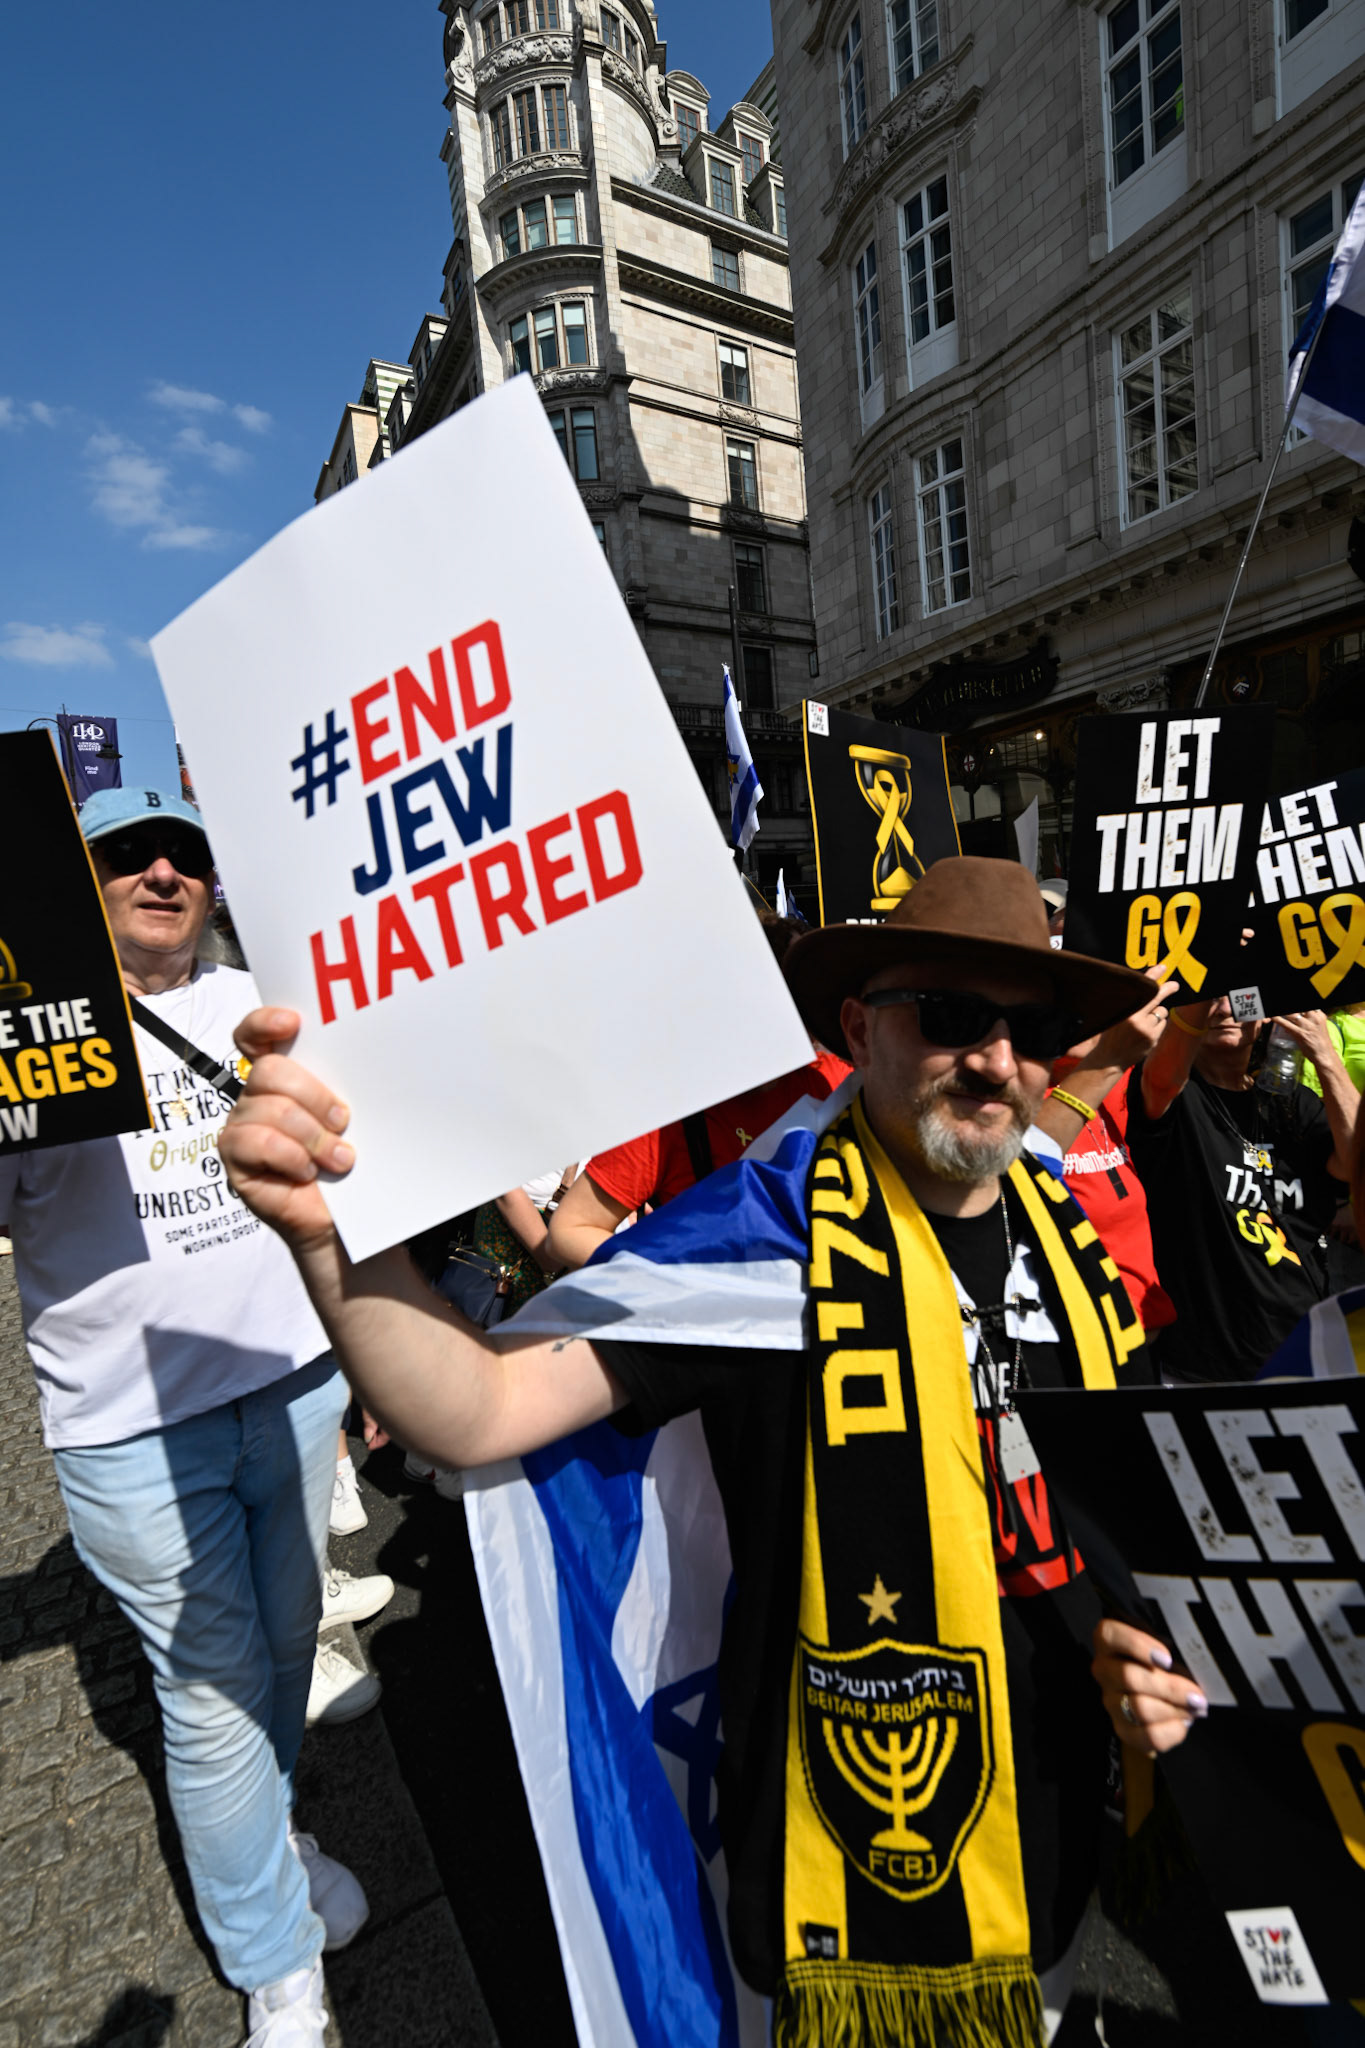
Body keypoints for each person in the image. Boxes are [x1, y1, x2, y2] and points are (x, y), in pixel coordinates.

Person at [220, 857, 1203, 2047]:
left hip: (1053, 1819)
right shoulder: (758, 1240)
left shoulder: (1073, 1249)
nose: (994, 1060)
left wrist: (1149, 1662)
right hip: (848, 1840)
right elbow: (476, 1410)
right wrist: (339, 1245)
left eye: (1032, 1027)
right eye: (948, 1017)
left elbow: (1122, 1524)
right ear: (860, 1025)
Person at [0, 788, 379, 2047]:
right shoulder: (19, 1034)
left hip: (290, 1383)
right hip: (126, 1427)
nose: (163, 873)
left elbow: (358, 1158)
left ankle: (267, 1841)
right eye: (127, 855)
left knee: (281, 1651)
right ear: (78, 879)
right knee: (212, 1693)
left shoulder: (267, 1000)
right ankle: (276, 1968)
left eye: (187, 857)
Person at [1127, 994, 1357, 1382]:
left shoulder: (1292, 1103)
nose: (1223, 1009)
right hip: (1203, 1368)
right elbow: (1162, 1077)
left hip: (1302, 1354)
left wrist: (1326, 1057)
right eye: (1208, 998)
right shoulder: (1174, 1092)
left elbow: (1356, 1162)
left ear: (1266, 1015)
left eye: (1240, 997)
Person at [1032, 978, 1178, 1339]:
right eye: (1068, 1008)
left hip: (1144, 1334)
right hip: (1085, 1343)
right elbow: (1020, 1170)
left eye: (1095, 1008)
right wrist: (1107, 1061)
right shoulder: (1021, 1102)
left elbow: (1172, 1069)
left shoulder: (1115, 1088)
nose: (1087, 1019)